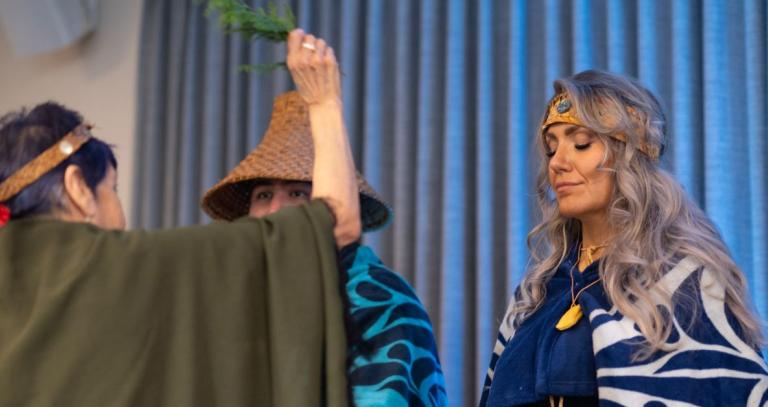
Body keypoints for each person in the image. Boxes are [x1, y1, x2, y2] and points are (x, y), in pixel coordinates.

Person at [0, 29, 357, 406]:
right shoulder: (126, 267)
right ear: (78, 188)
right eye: (111, 190)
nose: (119, 213)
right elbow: (337, 223)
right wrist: (323, 101)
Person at [480, 70, 768, 406]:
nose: (557, 162)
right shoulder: (535, 294)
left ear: (629, 155)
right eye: (551, 148)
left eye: (581, 143)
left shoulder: (684, 285)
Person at [202, 60, 446, 407]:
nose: (276, 211)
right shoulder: (232, 297)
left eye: (299, 193)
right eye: (264, 195)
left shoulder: (383, 299)